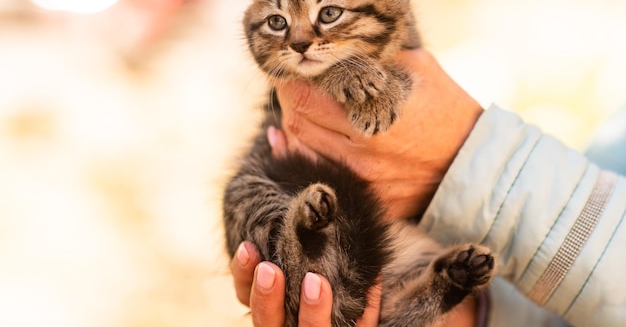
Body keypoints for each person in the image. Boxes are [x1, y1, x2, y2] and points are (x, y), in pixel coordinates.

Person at [229, 48, 626, 327]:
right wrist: (473, 317)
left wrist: (463, 161)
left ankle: (313, 244)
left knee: (329, 279)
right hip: (392, 262)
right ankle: (426, 299)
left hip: (354, 245)